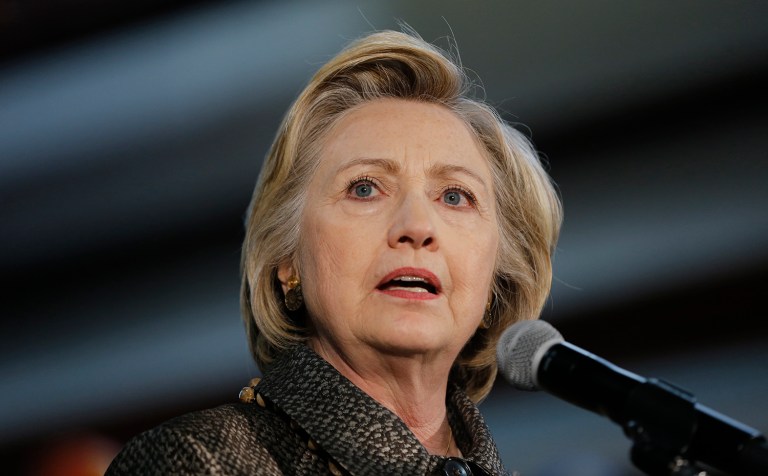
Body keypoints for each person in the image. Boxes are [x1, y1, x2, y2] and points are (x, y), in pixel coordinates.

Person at [106, 29, 562, 476]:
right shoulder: (197, 460)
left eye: (456, 196)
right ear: (287, 263)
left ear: (497, 280)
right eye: (364, 189)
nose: (418, 228)